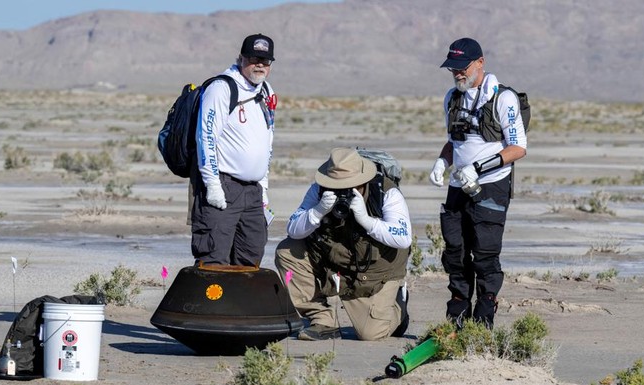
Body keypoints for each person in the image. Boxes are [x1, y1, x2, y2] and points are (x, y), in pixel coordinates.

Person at [428, 37, 527, 329]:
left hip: (491, 186)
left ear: (480, 63)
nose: (457, 73)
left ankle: (483, 322)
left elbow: (518, 148)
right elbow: (453, 142)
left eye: (462, 67)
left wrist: (479, 167)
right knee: (455, 252)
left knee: (484, 254)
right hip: (459, 186)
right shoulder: (452, 97)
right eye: (452, 69)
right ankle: (456, 318)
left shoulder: (503, 98)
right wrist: (442, 162)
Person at [275, 147, 412, 341]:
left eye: (350, 185)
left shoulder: (385, 192)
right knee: (287, 250)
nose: (342, 191)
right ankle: (322, 320)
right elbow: (294, 230)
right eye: (336, 185)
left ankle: (399, 305)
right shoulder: (319, 190)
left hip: (375, 272)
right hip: (334, 262)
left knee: (370, 334)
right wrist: (317, 211)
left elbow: (404, 237)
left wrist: (367, 220)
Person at [191, 33, 277, 266]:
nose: (259, 65)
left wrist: (264, 186)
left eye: (266, 61)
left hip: (253, 191)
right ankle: (209, 303)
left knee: (251, 256)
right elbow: (206, 137)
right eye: (253, 58)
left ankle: (241, 304)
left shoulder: (266, 90)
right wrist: (212, 185)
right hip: (223, 184)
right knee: (214, 258)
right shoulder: (222, 88)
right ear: (241, 58)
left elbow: (267, 139)